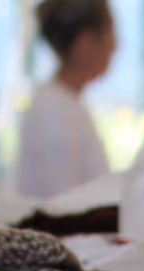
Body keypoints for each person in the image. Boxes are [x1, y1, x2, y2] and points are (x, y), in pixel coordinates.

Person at [16, 0, 116, 201]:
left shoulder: (64, 102)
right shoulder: (54, 111)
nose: (115, 46)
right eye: (111, 34)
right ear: (85, 43)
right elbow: (65, 209)